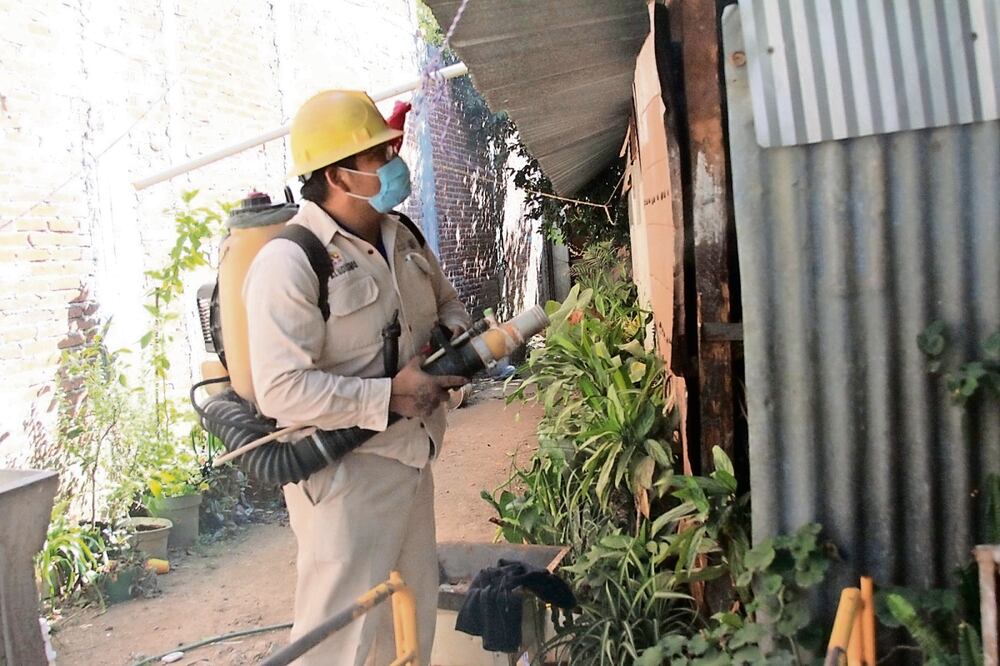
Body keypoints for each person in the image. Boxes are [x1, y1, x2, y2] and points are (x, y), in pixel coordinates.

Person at [243, 89, 471, 665]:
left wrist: (449, 349)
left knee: (408, 631)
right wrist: (390, 394)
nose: (393, 165)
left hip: (413, 461)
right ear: (337, 175)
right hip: (346, 479)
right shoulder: (291, 262)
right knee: (339, 644)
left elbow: (451, 307)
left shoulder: (403, 235)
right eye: (377, 157)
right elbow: (282, 389)